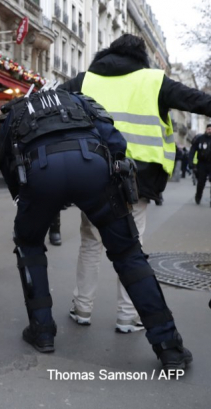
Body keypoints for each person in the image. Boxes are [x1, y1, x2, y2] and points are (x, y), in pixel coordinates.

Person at [0, 88, 193, 371]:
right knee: (128, 254)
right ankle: (170, 347)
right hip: (92, 166)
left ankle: (42, 330)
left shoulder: (17, 111)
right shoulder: (78, 101)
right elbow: (114, 140)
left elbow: (5, 160)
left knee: (29, 244)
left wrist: (26, 199)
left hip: (41, 172)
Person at [59, 34, 211, 332]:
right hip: (136, 180)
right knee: (132, 247)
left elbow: (48, 101)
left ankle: (82, 308)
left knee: (90, 242)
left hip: (92, 174)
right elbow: (196, 100)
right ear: (141, 57)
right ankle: (127, 316)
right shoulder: (154, 81)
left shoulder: (85, 80)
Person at [189, 124, 211, 205]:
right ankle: (198, 197)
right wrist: (190, 162)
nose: (210, 130)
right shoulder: (200, 139)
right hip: (202, 164)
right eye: (209, 129)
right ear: (206, 129)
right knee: (201, 182)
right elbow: (192, 150)